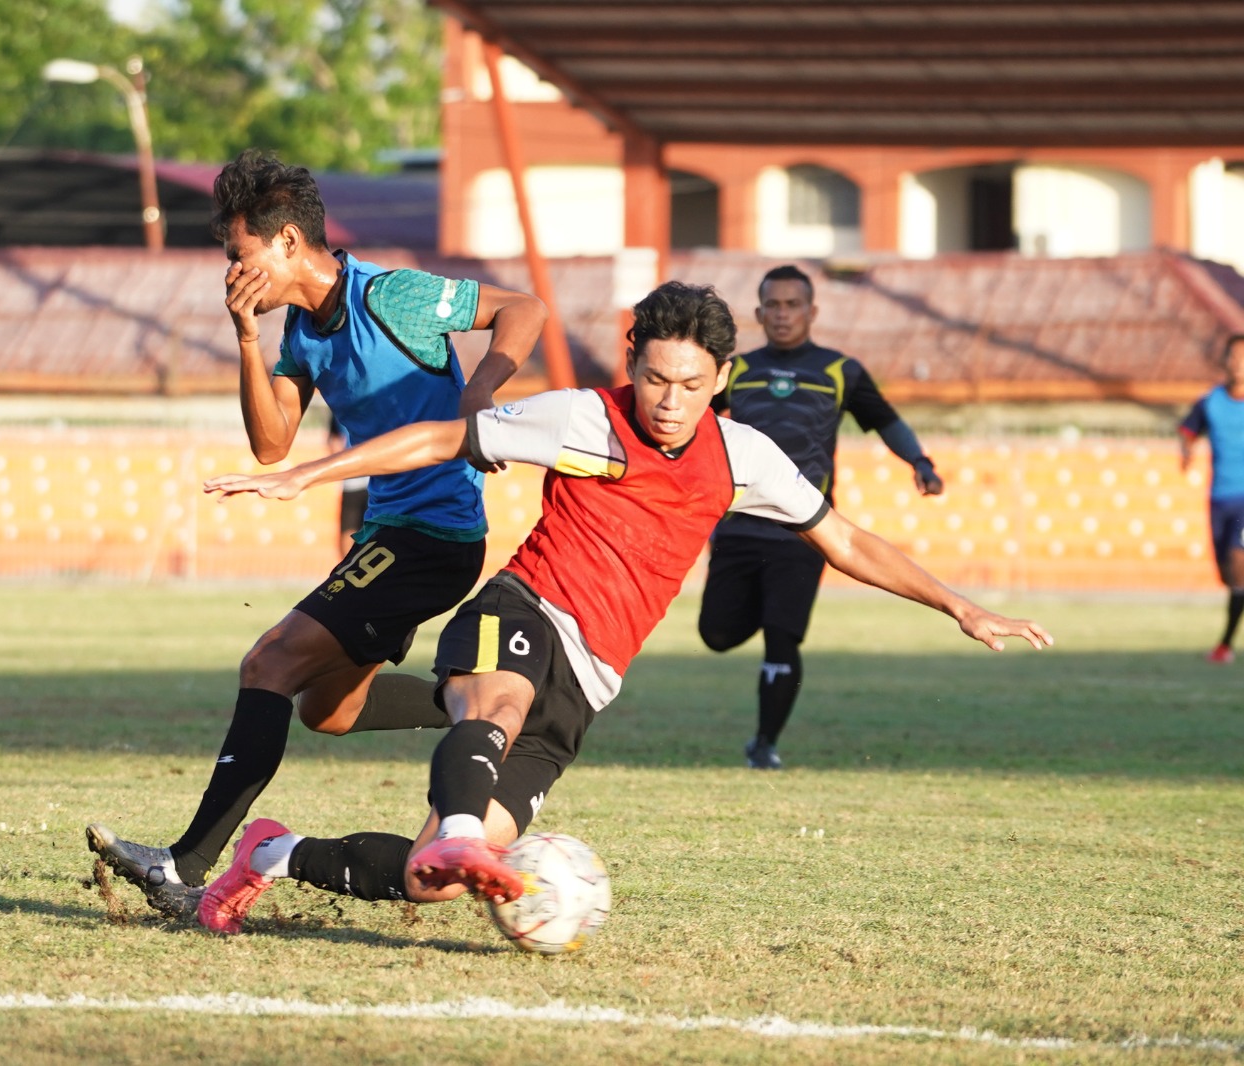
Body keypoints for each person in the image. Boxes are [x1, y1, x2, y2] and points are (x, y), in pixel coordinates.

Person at [190, 280, 1051, 935]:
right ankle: (454, 820)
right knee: (495, 704)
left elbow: (845, 538)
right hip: (523, 608)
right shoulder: (584, 419)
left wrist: (958, 606)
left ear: (721, 379)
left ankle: (271, 850)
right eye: (652, 377)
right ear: (632, 363)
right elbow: (443, 438)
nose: (667, 401)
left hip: (591, 680)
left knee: (433, 879)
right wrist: (306, 471)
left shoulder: (743, 456)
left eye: (688, 384)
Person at [85, 149, 547, 915]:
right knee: (327, 711)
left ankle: (184, 863)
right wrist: (244, 338)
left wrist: (479, 390)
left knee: (269, 661)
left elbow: (523, 308)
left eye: (239, 256)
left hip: (434, 534)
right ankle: (478, 704)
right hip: (391, 532)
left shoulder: (392, 296)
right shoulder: (299, 332)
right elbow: (271, 445)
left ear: (289, 243)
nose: (231, 271)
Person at [698, 263, 945, 770]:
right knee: (716, 635)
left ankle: (765, 744)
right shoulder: (735, 370)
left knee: (782, 633)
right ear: (759, 312)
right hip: (739, 526)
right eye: (774, 305)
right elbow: (691, 424)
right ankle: (765, 621)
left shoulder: (840, 370)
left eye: (793, 305)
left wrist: (920, 461)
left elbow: (885, 422)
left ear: (812, 311)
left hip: (804, 531)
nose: (783, 314)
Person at [1179, 333, 1244, 664]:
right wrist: (1186, 452)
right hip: (1219, 499)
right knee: (1227, 574)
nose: (1238, 365)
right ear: (1225, 362)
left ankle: (1224, 646)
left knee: (1239, 562)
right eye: (1233, 358)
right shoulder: (1211, 402)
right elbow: (1189, 429)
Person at [326, 412, 368, 556]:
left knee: (349, 527)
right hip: (379, 473)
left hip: (352, 472)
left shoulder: (341, 406)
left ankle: (348, 566)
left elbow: (334, 444)